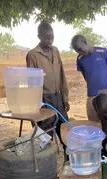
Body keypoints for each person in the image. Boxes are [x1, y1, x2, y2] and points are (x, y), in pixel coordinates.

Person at [26, 22, 69, 162]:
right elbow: (31, 81)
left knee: (63, 128)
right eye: (46, 38)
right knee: (44, 132)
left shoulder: (55, 50)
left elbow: (62, 74)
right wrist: (35, 103)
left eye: (52, 38)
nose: (49, 41)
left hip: (58, 97)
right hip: (44, 99)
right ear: (39, 37)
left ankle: (68, 158)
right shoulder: (33, 55)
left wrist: (65, 96)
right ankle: (45, 162)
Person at [71, 35, 107, 122]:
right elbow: (85, 76)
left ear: (85, 43)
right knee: (93, 123)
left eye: (80, 49)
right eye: (77, 51)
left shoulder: (103, 52)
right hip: (91, 95)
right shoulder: (80, 59)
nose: (79, 52)